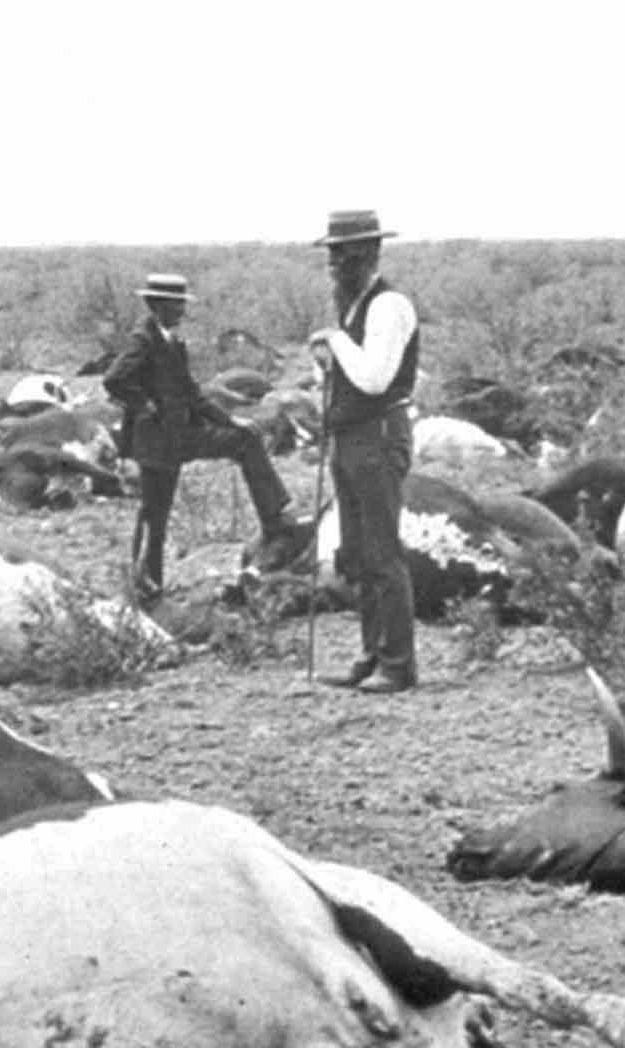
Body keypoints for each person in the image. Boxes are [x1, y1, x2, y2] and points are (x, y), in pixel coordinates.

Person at [102, 272, 298, 605]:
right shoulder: (143, 340)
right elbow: (114, 380)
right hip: (156, 443)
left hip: (183, 434)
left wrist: (230, 419)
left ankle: (274, 513)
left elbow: (193, 394)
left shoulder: (174, 343)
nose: (181, 310)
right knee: (154, 514)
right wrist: (146, 407)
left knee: (245, 439)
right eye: (175, 304)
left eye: (182, 303)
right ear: (157, 305)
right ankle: (147, 587)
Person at [308, 210, 419, 695]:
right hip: (351, 436)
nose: (335, 264)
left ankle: (398, 662)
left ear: (369, 253)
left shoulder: (387, 306)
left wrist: (334, 341)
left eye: (344, 254)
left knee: (382, 552)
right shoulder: (352, 308)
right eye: (332, 254)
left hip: (377, 434)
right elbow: (349, 375)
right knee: (356, 552)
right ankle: (372, 654)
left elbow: (375, 377)